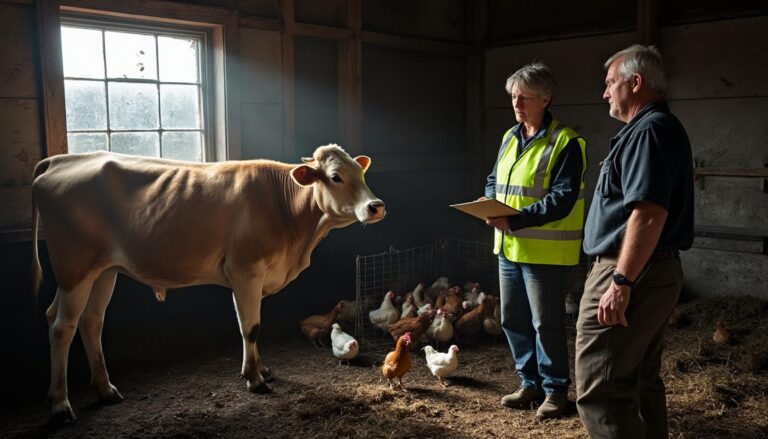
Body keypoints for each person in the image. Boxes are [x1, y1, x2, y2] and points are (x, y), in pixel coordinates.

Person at [576, 45, 693, 438]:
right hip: (651, 268)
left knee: (603, 391)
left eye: (611, 83)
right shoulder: (655, 129)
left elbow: (649, 213)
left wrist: (621, 281)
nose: (605, 93)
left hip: (629, 270)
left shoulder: (649, 131)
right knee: (641, 380)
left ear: (636, 82)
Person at [484, 62, 587, 419]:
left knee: (547, 324)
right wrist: (488, 202)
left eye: (524, 97)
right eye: (514, 96)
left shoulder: (567, 143)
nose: (517, 103)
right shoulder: (509, 137)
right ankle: (530, 384)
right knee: (512, 320)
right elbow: (493, 179)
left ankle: (556, 391)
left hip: (545, 251)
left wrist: (513, 219)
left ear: (546, 99)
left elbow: (562, 198)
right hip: (509, 247)